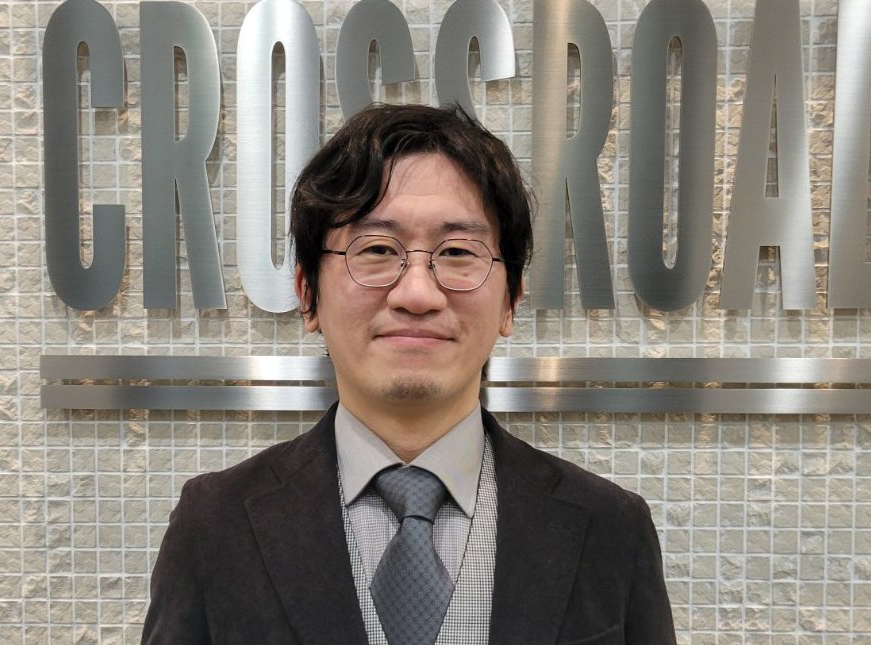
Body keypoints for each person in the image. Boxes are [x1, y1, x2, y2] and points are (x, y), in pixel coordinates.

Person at [141, 103, 676, 644]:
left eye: (458, 252)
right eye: (376, 249)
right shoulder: (215, 526)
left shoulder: (612, 528)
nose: (417, 294)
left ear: (511, 300)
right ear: (307, 294)